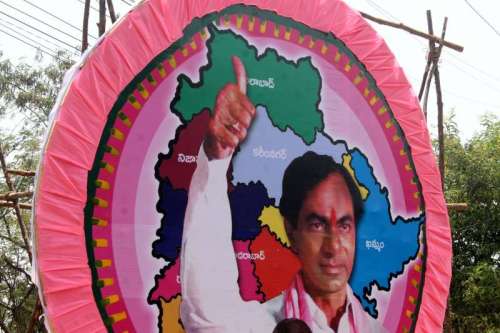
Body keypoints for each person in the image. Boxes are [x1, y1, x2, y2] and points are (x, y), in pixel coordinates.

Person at [179, 57, 386, 332]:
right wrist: (217, 159)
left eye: (344, 225)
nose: (334, 247)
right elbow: (207, 311)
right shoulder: (263, 324)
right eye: (317, 224)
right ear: (291, 230)